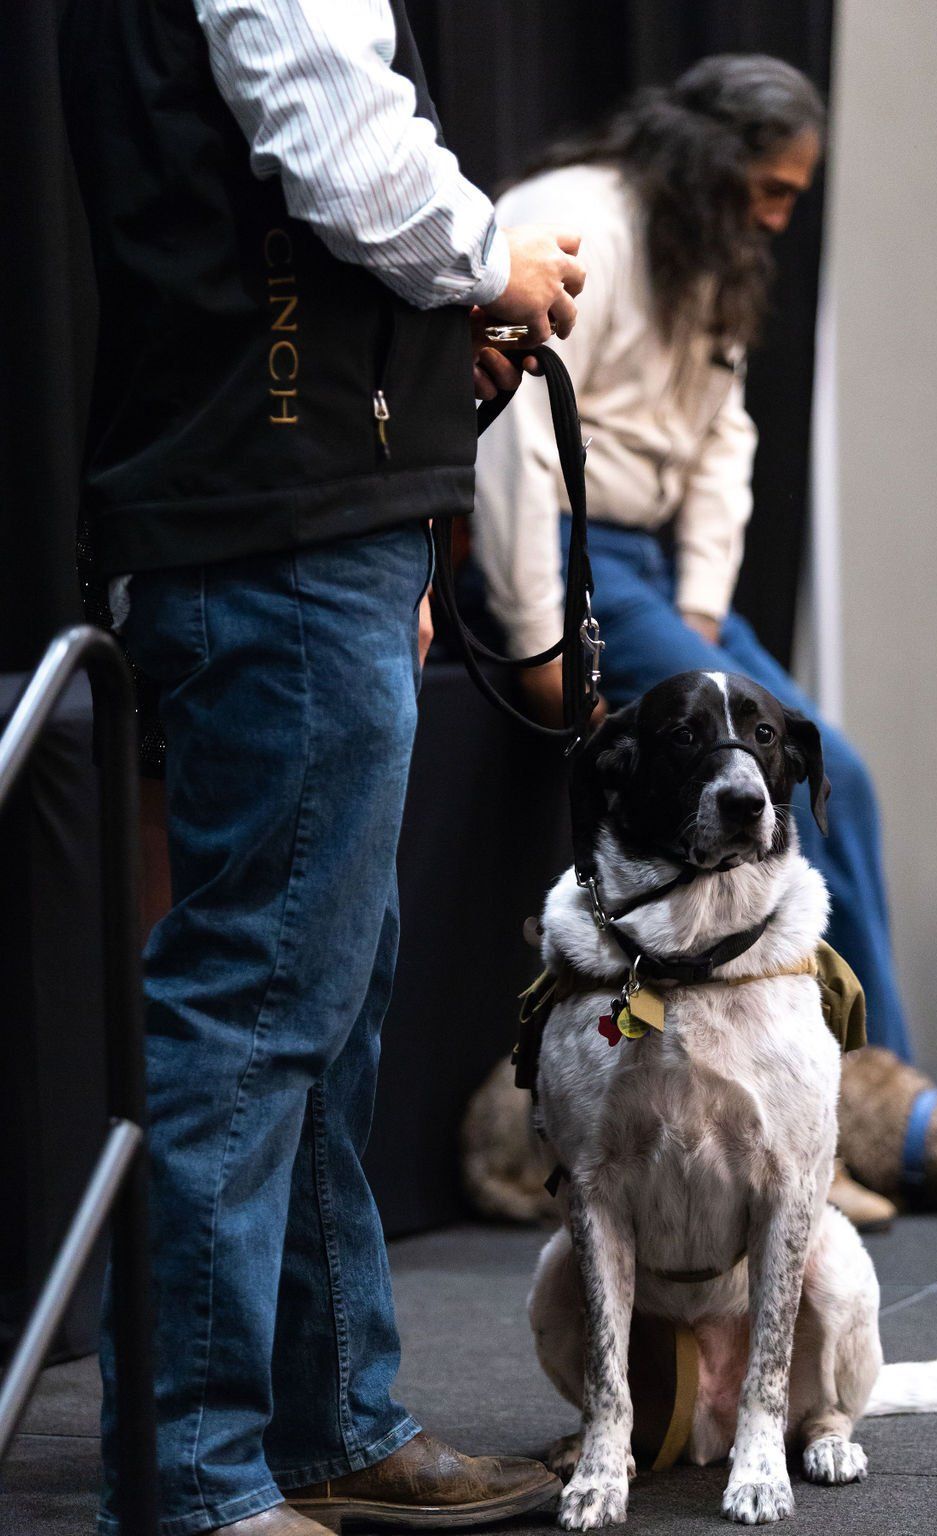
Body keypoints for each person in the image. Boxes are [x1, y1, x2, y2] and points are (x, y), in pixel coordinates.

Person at [59, 2, 584, 1534]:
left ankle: (325, 1424)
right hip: (271, 518)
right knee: (265, 996)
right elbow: (345, 151)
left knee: (320, 996)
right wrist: (499, 260)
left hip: (296, 513)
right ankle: (201, 1478)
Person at [471, 56, 908, 1226]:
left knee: (839, 781)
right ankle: (880, 1123)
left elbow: (724, 435)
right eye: (770, 190)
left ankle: (868, 1098)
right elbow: (513, 438)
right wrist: (542, 639)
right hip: (568, 548)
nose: (777, 218)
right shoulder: (577, 220)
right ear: (714, 160)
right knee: (829, 774)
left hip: (651, 564)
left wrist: (705, 606)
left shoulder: (704, 249)